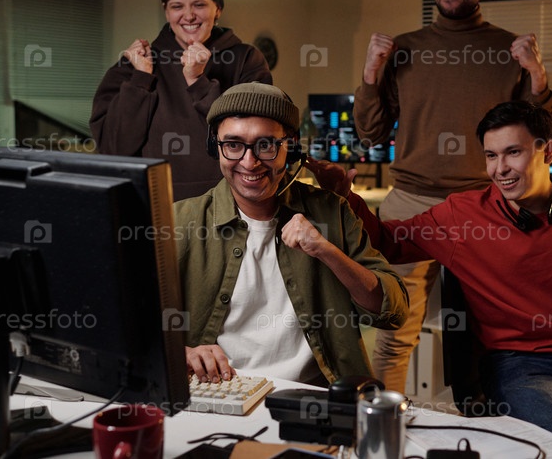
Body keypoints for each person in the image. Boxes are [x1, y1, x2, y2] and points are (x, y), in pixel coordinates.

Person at [307, 101, 552, 458]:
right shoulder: (462, 215)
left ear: (547, 152)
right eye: (491, 156)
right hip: (518, 365)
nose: (500, 168)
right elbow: (387, 242)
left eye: (513, 152)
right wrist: (344, 197)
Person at [353, 0, 552, 392]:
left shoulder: (509, 50)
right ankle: (383, 422)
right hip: (409, 204)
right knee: (392, 334)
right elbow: (369, 133)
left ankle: (489, 424)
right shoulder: (403, 48)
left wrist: (537, 76)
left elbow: (547, 136)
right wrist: (370, 73)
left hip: (483, 206)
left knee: (493, 337)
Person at [173, 82, 409, 386]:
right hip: (221, 393)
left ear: (292, 147)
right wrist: (182, 353)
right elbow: (128, 325)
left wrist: (326, 250)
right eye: (233, 145)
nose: (249, 162)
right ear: (215, 147)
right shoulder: (181, 221)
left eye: (266, 145)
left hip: (313, 396)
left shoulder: (332, 211)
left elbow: (393, 311)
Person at [91, 0, 272, 201]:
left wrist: (198, 82)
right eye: (177, 6)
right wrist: (141, 81)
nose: (188, 16)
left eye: (199, 5)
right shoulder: (133, 65)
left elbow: (256, 140)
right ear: (166, 11)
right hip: (155, 209)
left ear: (217, 8)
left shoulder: (246, 60)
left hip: (231, 206)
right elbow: (113, 150)